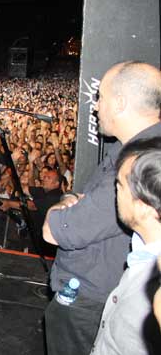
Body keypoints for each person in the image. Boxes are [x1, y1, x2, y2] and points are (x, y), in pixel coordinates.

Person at [42, 61, 161, 355]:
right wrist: (71, 201)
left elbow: (55, 230)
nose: (95, 106)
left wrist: (63, 205)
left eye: (101, 97)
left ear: (120, 103)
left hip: (89, 301)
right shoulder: (127, 149)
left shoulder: (139, 163)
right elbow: (79, 202)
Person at [91, 137, 161, 354]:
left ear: (144, 207)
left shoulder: (154, 290)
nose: (114, 193)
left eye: (119, 186)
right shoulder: (141, 251)